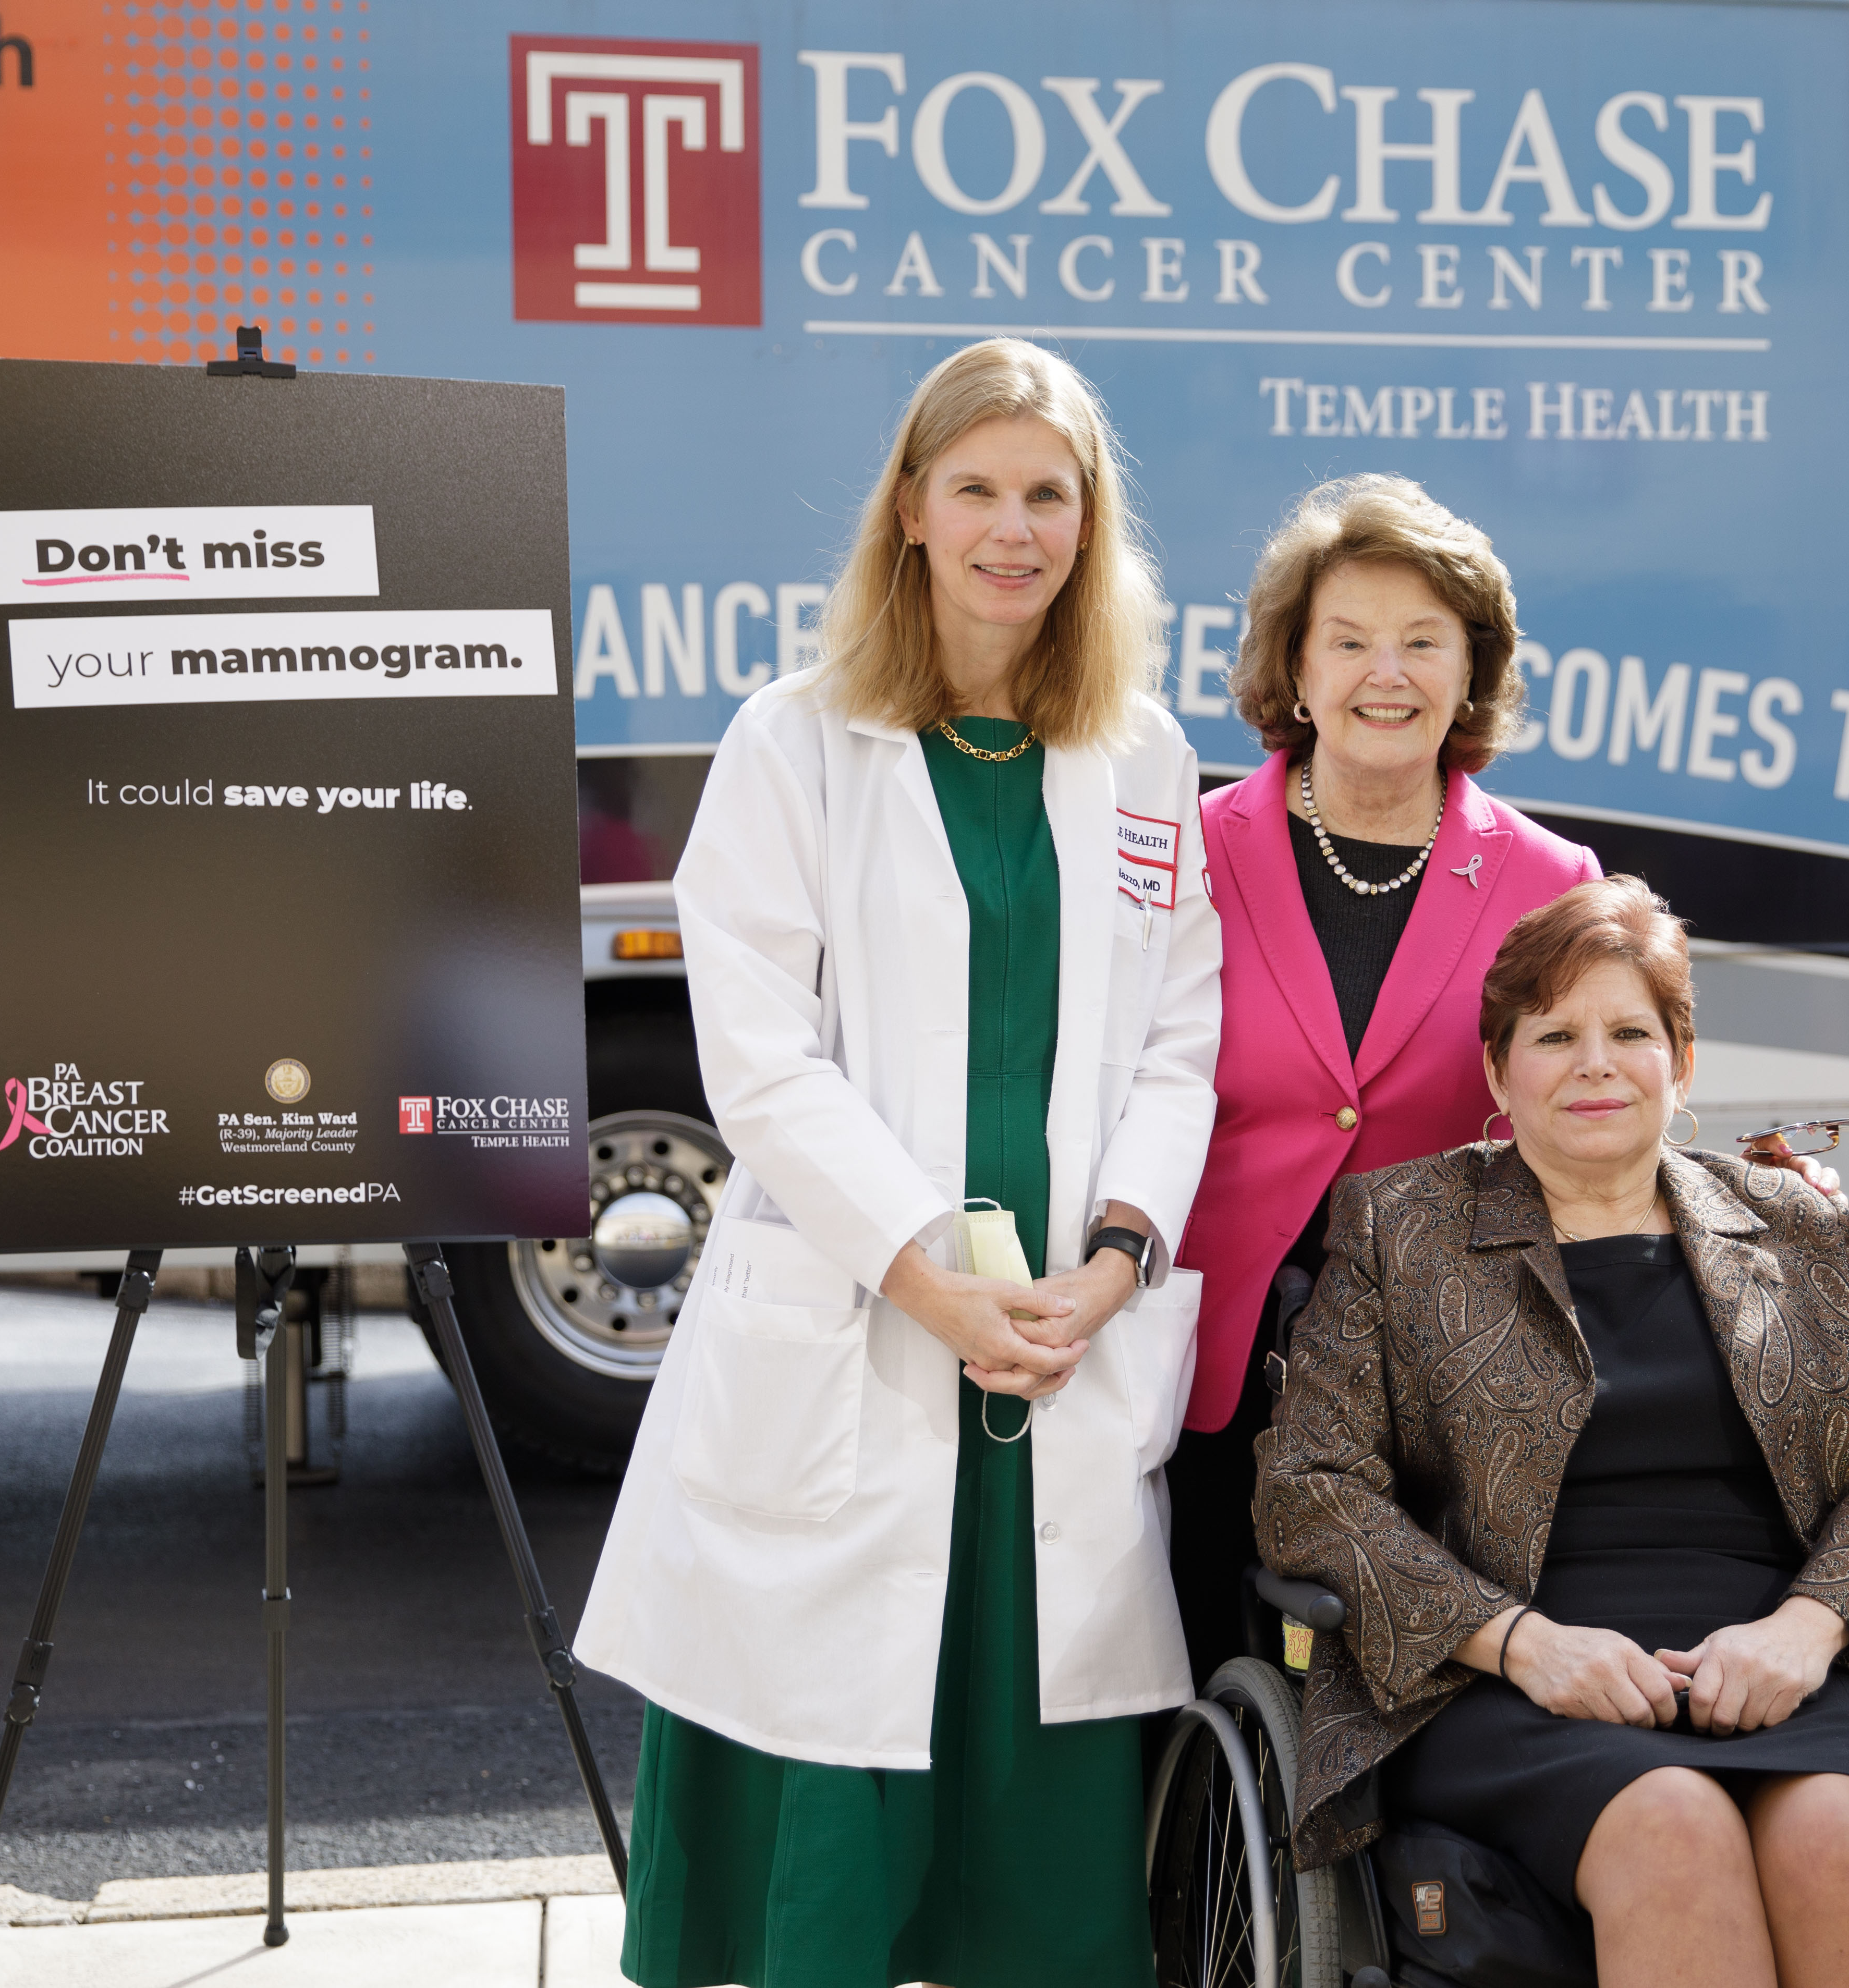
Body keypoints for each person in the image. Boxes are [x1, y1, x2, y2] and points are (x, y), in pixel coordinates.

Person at [573, 339, 1222, 1988]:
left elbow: (1178, 1042)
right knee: (839, 1738)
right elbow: (759, 1056)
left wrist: (1115, 1261)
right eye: (977, 489)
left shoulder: (1144, 755)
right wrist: (927, 1277)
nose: (1015, 529)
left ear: (1091, 523)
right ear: (912, 510)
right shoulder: (793, 739)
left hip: (1057, 1335)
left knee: (1041, 1786)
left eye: (1049, 495)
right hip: (867, 1318)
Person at [1258, 877, 1849, 1988]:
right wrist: (1524, 1643)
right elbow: (1311, 1487)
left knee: (1838, 1831)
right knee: (1672, 1823)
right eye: (1555, 1035)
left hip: (1779, 1662)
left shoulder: (1791, 1222)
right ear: (1498, 1071)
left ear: (1680, 1059)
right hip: (1507, 1676)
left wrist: (1807, 1628)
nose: (1595, 1063)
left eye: (1630, 1032)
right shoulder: (1400, 1227)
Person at [1166, 474, 1831, 1671]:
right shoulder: (1192, 849)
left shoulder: (1550, 878)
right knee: (1194, 1660)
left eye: (1424, 641)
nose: (1387, 673)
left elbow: (1593, 1104)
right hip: (1209, 1352)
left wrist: (1756, 1206)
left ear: (1471, 669)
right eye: (1349, 640)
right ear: (1294, 666)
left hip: (1442, 1374)